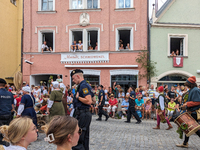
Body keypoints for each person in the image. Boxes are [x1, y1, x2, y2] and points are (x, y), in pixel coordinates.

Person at [70, 69, 93, 150]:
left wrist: (77, 97)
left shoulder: (83, 86)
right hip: (84, 113)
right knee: (85, 137)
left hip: (83, 113)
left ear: (78, 76)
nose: (73, 81)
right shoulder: (86, 85)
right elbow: (93, 100)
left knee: (79, 136)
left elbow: (89, 101)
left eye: (73, 78)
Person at [176, 76, 200, 148]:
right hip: (191, 111)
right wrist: (185, 106)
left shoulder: (195, 90)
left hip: (194, 112)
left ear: (190, 83)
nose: (186, 85)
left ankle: (185, 143)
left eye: (187, 84)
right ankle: (185, 143)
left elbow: (198, 102)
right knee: (187, 128)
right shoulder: (192, 89)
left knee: (194, 129)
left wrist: (187, 104)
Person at [0, 78, 14, 146]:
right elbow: (12, 107)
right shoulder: (10, 94)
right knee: (7, 131)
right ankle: (7, 144)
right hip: (8, 115)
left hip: (0, 115)